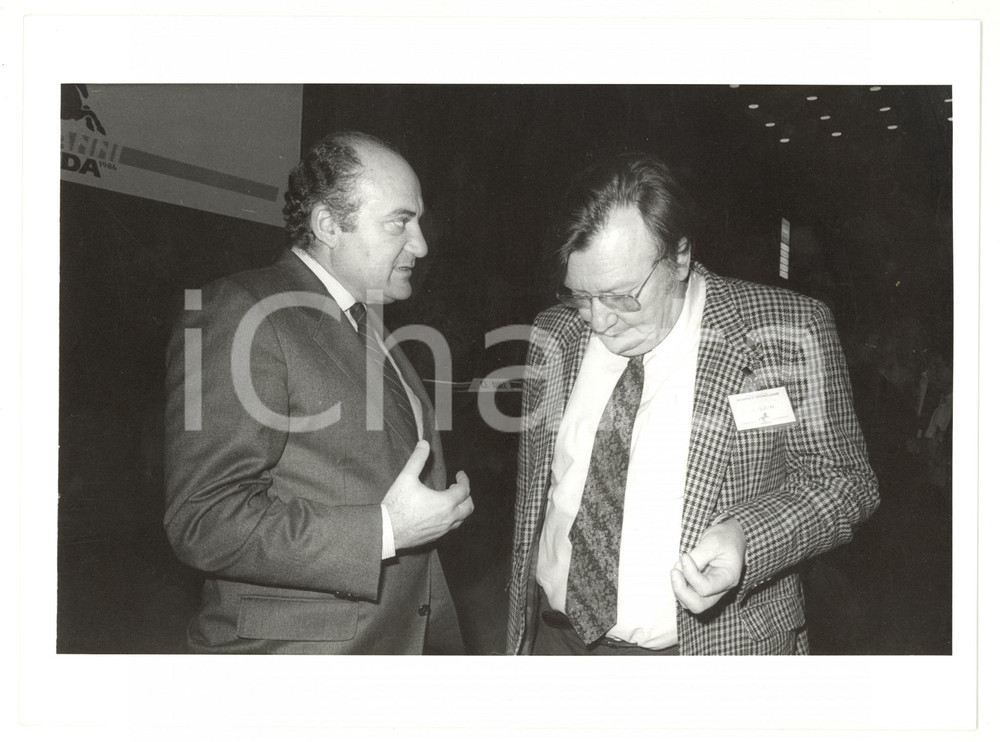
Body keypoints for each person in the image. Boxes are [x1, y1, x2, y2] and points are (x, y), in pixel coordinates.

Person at [507, 152, 879, 655]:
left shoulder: (788, 331)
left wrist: (748, 536)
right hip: (557, 641)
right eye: (580, 294)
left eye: (620, 295)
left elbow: (845, 481)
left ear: (679, 257)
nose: (597, 321)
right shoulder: (555, 331)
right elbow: (540, 494)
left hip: (706, 652)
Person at [163, 131, 473, 654]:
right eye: (400, 221)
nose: (420, 244)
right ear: (329, 224)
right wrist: (385, 530)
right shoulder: (240, 311)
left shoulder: (368, 322)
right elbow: (203, 518)